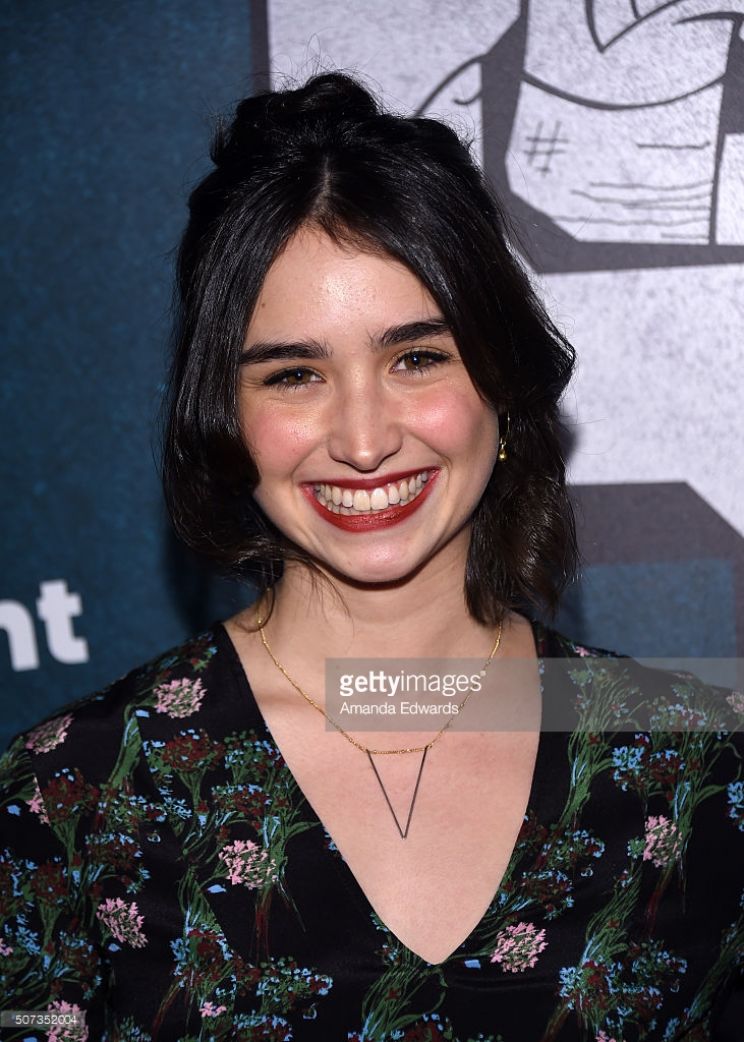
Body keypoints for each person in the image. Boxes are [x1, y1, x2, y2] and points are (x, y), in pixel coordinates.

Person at [1, 71, 742, 1042]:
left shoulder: (700, 765)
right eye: (294, 373)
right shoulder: (69, 797)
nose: (362, 439)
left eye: (416, 358)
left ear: (502, 382)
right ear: (225, 416)